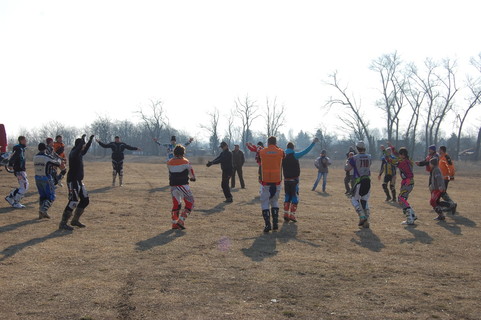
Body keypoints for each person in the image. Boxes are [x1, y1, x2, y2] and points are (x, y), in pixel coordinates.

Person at [59, 134, 94, 231]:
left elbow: (85, 149)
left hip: (79, 181)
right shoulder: (74, 153)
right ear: (79, 145)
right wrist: (83, 139)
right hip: (72, 180)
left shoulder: (79, 153)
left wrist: (90, 140)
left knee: (85, 200)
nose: (83, 147)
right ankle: (63, 223)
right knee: (73, 201)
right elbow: (80, 147)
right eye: (82, 145)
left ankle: (75, 220)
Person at [282, 138, 318, 222]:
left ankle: (285, 213)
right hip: (294, 180)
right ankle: (292, 215)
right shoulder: (295, 155)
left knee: (287, 196)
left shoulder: (283, 155)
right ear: (293, 148)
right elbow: (306, 151)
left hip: (286, 180)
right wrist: (313, 143)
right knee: (294, 197)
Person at [385, 143, 417, 225]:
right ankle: (412, 215)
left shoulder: (404, 163)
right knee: (403, 199)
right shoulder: (406, 160)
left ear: (403, 155)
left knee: (401, 199)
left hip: (408, 182)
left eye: (400, 154)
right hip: (409, 182)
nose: (399, 156)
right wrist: (392, 147)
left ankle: (410, 218)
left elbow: (393, 162)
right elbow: (396, 155)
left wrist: (385, 153)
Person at [258, 136, 285, 232]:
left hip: (266, 181)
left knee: (265, 202)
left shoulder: (263, 151)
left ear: (268, 142)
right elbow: (283, 154)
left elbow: (259, 154)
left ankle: (267, 224)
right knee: (275, 201)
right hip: (277, 180)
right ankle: (275, 223)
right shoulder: (280, 151)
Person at [167, 145, 196, 229]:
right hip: (183, 185)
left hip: (173, 186)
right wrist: (193, 178)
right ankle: (181, 220)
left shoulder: (169, 162)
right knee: (190, 202)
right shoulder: (185, 161)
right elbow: (191, 171)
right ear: (183, 153)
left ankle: (174, 223)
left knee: (176, 204)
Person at [345, 141, 372, 228]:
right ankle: (366, 218)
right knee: (364, 200)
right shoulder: (369, 156)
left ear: (357, 148)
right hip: (368, 180)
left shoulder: (354, 158)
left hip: (359, 181)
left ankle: (362, 216)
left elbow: (347, 168)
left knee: (354, 199)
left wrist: (348, 160)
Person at [33, 143, 62, 219]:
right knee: (51, 196)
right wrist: (59, 158)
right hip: (46, 177)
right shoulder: (46, 157)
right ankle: (43, 210)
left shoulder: (35, 157)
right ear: (45, 149)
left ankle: (41, 212)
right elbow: (57, 163)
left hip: (37, 177)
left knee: (42, 196)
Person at [5, 136, 29, 208]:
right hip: (19, 170)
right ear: (21, 140)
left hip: (21, 170)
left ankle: (10, 197)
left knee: (24, 186)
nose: (26, 141)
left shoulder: (21, 149)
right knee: (24, 187)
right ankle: (16, 202)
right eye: (25, 140)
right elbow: (13, 156)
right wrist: (10, 164)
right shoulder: (18, 148)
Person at [438, 146, 457, 214]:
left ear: (442, 150)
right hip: (442, 178)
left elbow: (451, 167)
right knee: (442, 193)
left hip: (445, 178)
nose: (438, 151)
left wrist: (451, 176)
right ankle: (451, 204)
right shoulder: (441, 158)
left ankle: (451, 204)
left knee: (442, 193)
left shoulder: (446, 157)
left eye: (439, 150)